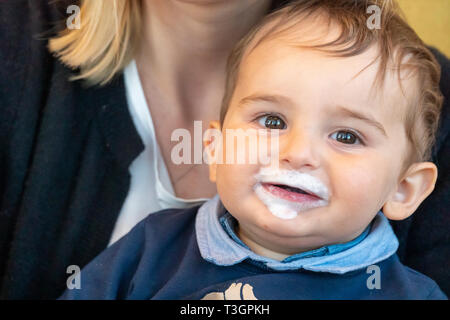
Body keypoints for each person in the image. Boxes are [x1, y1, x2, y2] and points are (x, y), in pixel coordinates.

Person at [59, 0, 447, 299]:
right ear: (214, 149)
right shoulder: (149, 252)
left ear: (404, 189)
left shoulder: (407, 292)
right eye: (272, 121)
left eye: (346, 136)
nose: (297, 154)